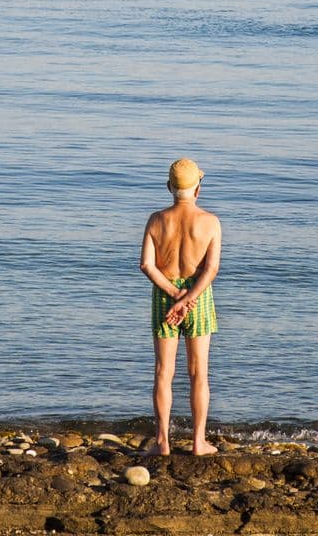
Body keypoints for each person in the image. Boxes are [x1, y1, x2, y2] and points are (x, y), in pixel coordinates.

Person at [139, 157, 222, 456]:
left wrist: (175, 294)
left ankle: (162, 441)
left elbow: (147, 265)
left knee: (163, 372)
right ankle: (199, 441)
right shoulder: (210, 222)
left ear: (169, 187)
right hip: (198, 297)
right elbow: (211, 269)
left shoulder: (156, 220)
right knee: (199, 372)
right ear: (198, 189)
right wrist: (188, 298)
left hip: (165, 297)